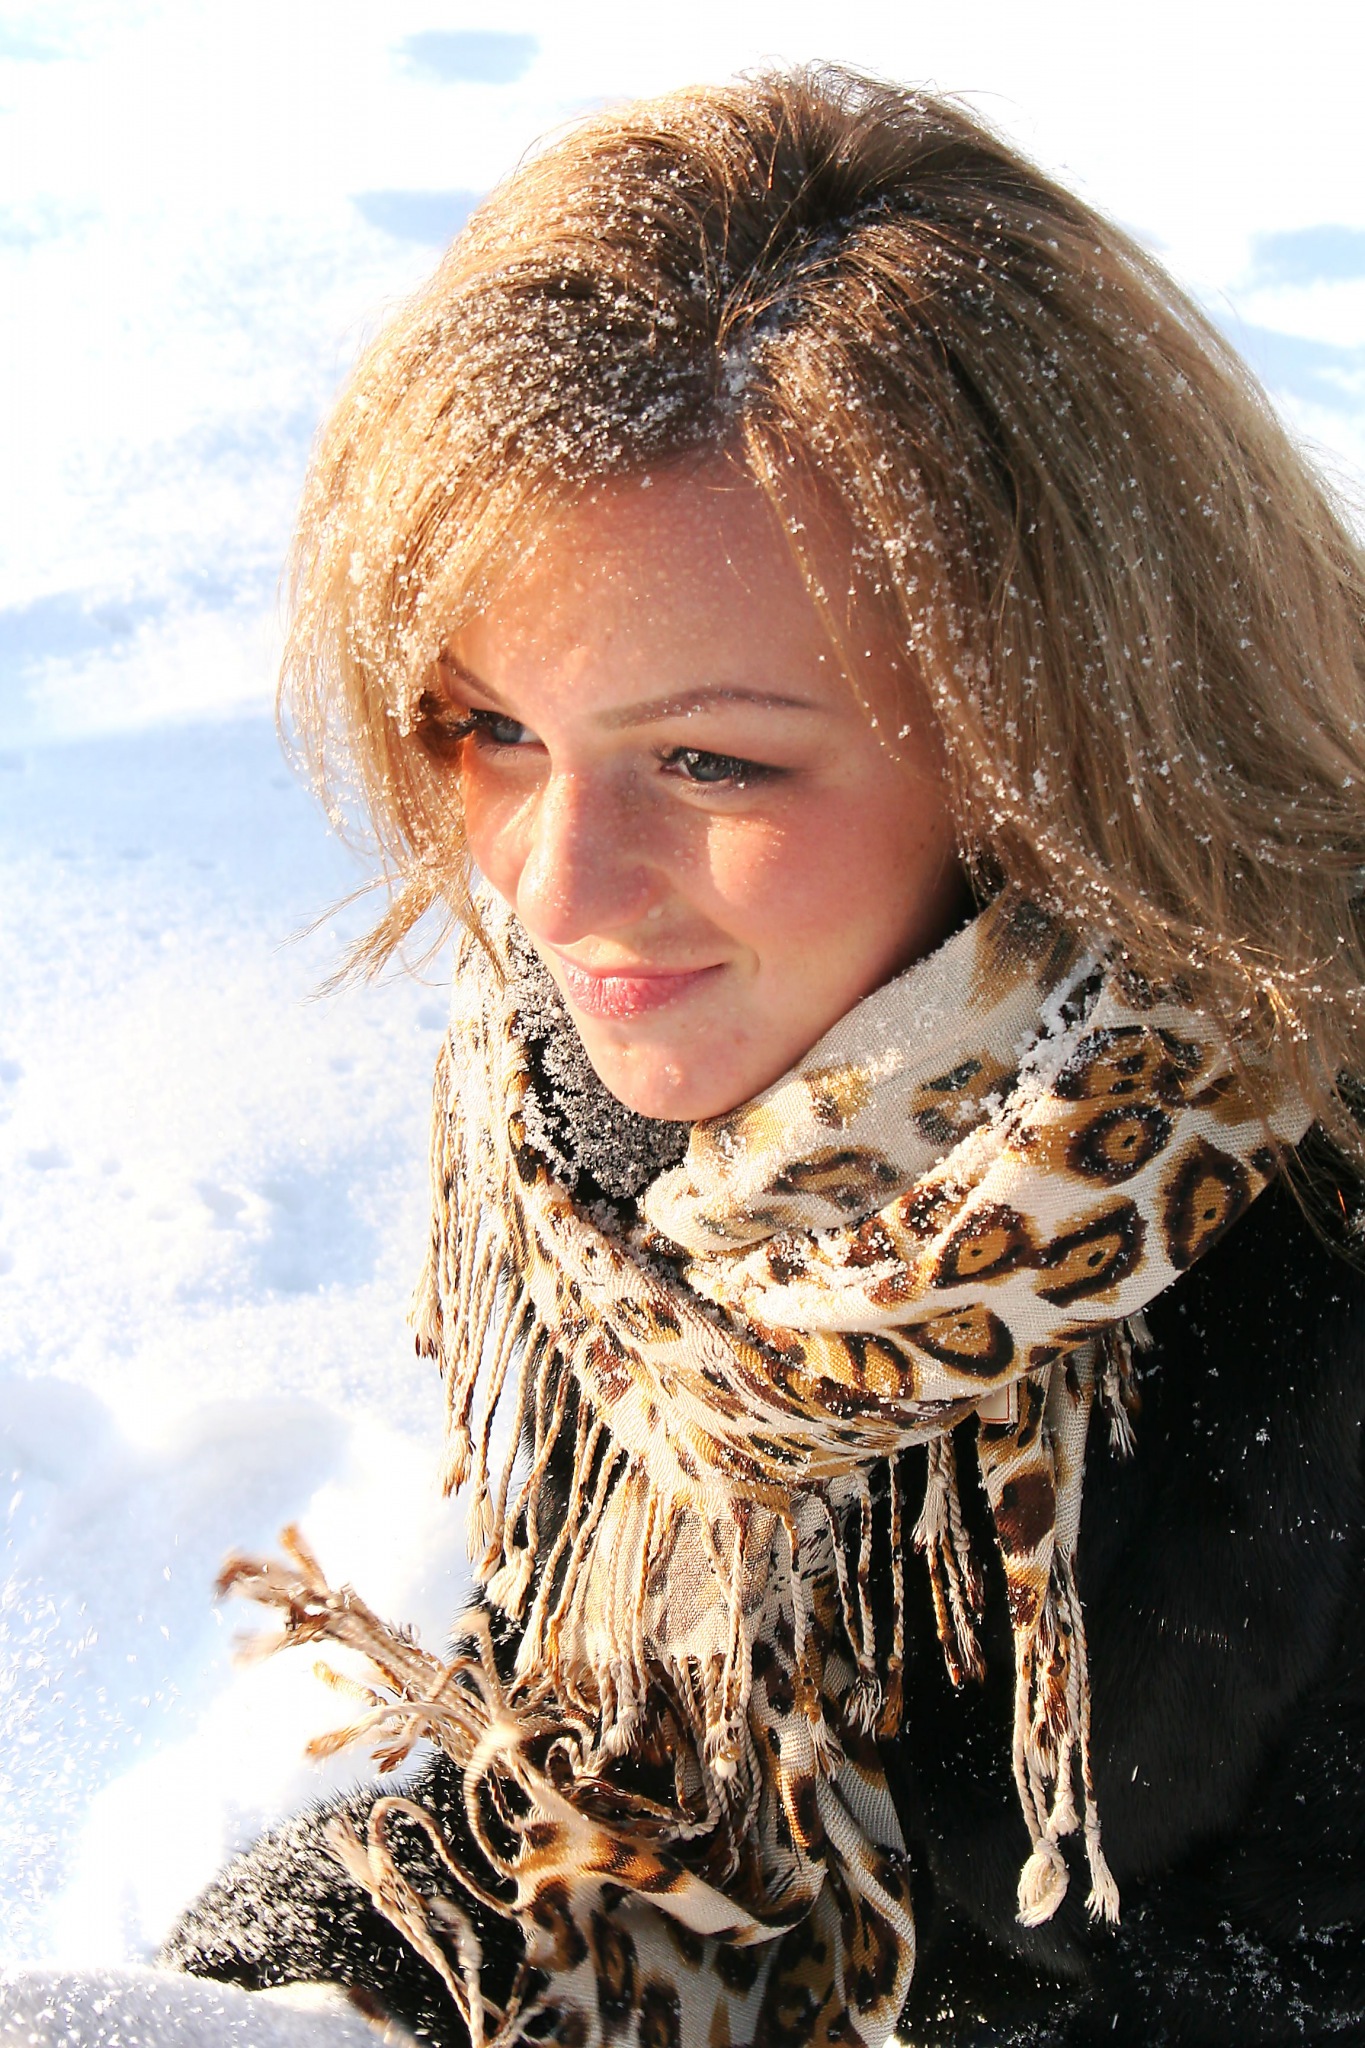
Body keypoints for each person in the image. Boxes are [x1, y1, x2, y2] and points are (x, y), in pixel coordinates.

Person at [162, 65, 1365, 2047]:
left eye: (710, 760)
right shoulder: (635, 1149)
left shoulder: (1301, 1261)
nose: (555, 891)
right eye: (489, 731)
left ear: (1045, 742)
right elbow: (640, 1782)